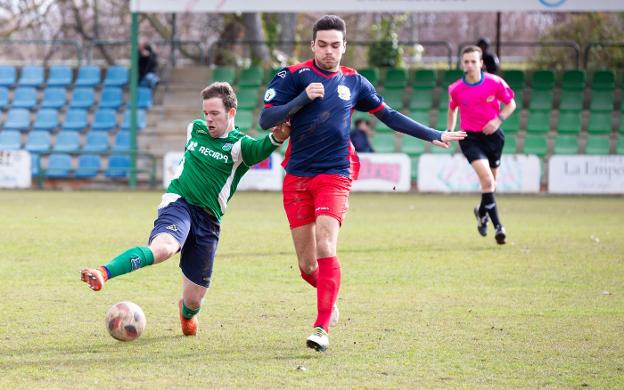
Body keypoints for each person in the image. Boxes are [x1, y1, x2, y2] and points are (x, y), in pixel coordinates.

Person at [258, 14, 466, 352]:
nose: (329, 51)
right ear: (313, 45)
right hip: (297, 176)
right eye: (322, 44)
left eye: (335, 45)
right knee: (307, 266)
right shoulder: (292, 76)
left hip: (335, 173)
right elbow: (266, 118)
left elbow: (390, 115)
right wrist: (300, 100)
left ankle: (321, 327)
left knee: (327, 245)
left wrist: (433, 134)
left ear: (344, 47)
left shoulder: (355, 82)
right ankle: (330, 299)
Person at [80, 82, 290, 336]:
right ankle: (103, 272)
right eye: (206, 113)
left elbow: (259, 150)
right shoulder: (196, 129)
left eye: (215, 113)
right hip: (179, 204)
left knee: (194, 302)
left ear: (231, 112)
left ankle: (186, 311)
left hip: (209, 220)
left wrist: (279, 135)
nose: (208, 119)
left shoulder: (239, 146)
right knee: (164, 248)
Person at [446, 45, 516, 245]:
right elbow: (452, 110)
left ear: (481, 63)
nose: (469, 65)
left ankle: (481, 211)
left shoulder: (495, 83)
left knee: (492, 184)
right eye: (466, 61)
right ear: (462, 63)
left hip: (494, 138)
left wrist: (498, 120)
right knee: (487, 181)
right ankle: (499, 227)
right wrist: (450, 131)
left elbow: (511, 103)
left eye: (473, 61)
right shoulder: (456, 89)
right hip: (470, 139)